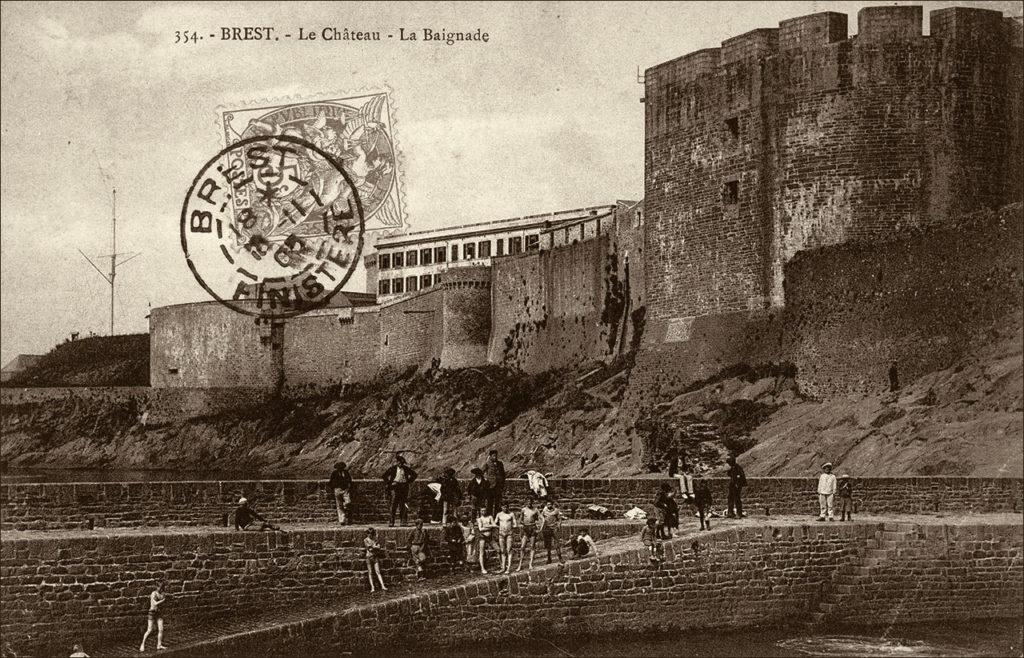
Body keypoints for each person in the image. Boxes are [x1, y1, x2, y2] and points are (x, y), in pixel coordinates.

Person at [381, 454, 418, 527]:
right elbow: (384, 476)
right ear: (397, 462)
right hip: (395, 487)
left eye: (402, 463)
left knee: (403, 505)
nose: (400, 464)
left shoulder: (406, 468)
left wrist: (408, 481)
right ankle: (391, 522)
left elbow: (414, 475)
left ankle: (403, 521)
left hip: (403, 487)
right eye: (399, 463)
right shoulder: (393, 468)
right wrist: (390, 483)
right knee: (393, 505)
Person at [139, 581, 167, 652]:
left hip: (159, 613)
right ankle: (142, 644)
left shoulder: (163, 594)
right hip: (152, 612)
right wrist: (163, 600)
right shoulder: (153, 593)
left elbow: (162, 604)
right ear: (157, 587)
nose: (161, 589)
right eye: (159, 588)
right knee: (149, 630)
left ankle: (159, 645)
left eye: (162, 588)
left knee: (161, 629)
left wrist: (163, 603)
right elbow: (155, 603)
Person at [517, 497, 540, 571]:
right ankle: (520, 564)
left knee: (532, 546)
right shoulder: (523, 509)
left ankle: (530, 564)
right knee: (522, 547)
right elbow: (520, 520)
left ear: (532, 502)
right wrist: (523, 523)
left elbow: (540, 518)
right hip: (526, 529)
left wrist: (540, 528)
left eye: (530, 502)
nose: (529, 503)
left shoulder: (535, 510)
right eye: (528, 502)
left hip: (532, 528)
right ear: (526, 502)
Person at [538, 499, 564, 564]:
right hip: (547, 529)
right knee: (548, 545)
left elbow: (560, 519)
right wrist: (542, 523)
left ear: (552, 505)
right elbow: (540, 517)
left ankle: (560, 557)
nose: (549, 505)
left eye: (550, 504)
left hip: (554, 528)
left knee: (557, 544)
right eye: (547, 504)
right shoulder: (544, 511)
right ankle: (549, 558)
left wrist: (559, 525)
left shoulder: (556, 510)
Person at [495, 502, 517, 573]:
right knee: (502, 551)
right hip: (501, 534)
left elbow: (515, 523)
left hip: (509, 534)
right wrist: (499, 527)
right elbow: (495, 523)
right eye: (503, 507)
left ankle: (509, 568)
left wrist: (513, 526)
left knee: (509, 550)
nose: (505, 508)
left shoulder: (511, 514)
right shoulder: (499, 514)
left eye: (506, 507)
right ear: (501, 507)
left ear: (508, 507)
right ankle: (503, 567)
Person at [483, 449, 506, 516]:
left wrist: (502, 483)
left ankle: (496, 517)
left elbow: (503, 474)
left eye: (496, 456)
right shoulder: (487, 464)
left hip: (498, 486)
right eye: (493, 456)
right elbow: (481, 472)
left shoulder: (500, 463)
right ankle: (489, 517)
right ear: (490, 456)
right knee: (489, 502)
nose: (495, 457)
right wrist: (485, 480)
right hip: (490, 486)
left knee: (498, 503)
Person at [364, 527, 387, 592]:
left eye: (371, 533)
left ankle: (383, 585)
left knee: (378, 571)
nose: (370, 535)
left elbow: (378, 547)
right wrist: (375, 546)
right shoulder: (366, 540)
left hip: (375, 557)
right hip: (369, 557)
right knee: (370, 572)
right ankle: (372, 587)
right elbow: (370, 549)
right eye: (369, 533)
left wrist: (375, 547)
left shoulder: (375, 539)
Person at [476, 507, 498, 574]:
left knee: (498, 549)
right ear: (480, 511)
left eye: (484, 510)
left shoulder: (490, 517)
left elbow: (494, 525)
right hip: (482, 536)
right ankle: (483, 568)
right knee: (481, 552)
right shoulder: (479, 519)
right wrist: (490, 526)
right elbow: (480, 529)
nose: (483, 512)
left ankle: (501, 566)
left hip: (490, 537)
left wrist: (486, 526)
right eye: (482, 511)